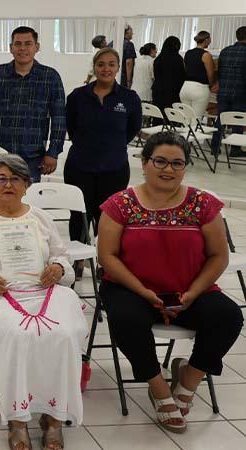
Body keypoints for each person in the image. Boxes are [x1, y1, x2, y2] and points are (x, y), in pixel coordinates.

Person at [97, 132, 243, 434]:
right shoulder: (119, 204)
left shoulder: (203, 204)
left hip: (188, 289)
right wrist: (142, 291)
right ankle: (159, 387)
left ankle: (189, 379)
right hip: (132, 288)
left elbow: (218, 256)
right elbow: (107, 256)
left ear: (186, 166)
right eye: (160, 161)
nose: (169, 169)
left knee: (228, 316)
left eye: (178, 163)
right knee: (125, 318)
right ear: (144, 162)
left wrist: (193, 292)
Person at [0, 153, 87, 450]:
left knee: (63, 334)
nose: (8, 184)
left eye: (16, 179)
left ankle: (52, 417)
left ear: (27, 185)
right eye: (1, 178)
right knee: (17, 335)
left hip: (45, 291)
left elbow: (61, 255)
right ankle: (17, 419)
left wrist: (58, 268)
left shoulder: (41, 218)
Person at [65, 48, 142, 278]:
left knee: (108, 218)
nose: (106, 69)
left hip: (114, 168)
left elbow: (132, 129)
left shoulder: (129, 98)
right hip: (80, 166)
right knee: (79, 215)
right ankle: (78, 262)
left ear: (118, 67)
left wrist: (110, 146)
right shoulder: (78, 96)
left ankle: (105, 262)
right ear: (94, 67)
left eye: (111, 64)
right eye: (101, 64)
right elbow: (72, 127)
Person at [0, 26, 66, 182]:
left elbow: (59, 118)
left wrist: (53, 153)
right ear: (11, 48)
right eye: (18, 44)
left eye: (28, 43)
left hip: (32, 156)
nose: (22, 48)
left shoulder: (50, 77)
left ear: (36, 47)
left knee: (28, 202)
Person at [214, 26, 246, 157]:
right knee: (238, 120)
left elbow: (219, 71)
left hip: (224, 91)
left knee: (221, 119)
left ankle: (215, 146)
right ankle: (235, 148)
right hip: (241, 92)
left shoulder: (225, 51)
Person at [180, 31, 217, 122]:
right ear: (206, 40)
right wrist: (211, 85)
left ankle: (185, 135)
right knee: (196, 120)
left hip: (185, 87)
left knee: (187, 119)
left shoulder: (188, 53)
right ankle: (195, 136)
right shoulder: (206, 55)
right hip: (199, 88)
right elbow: (210, 74)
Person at [152, 36, 186, 113]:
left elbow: (156, 75)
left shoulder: (158, 59)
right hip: (172, 92)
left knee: (158, 115)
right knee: (171, 117)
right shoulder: (178, 59)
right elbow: (181, 77)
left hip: (158, 91)